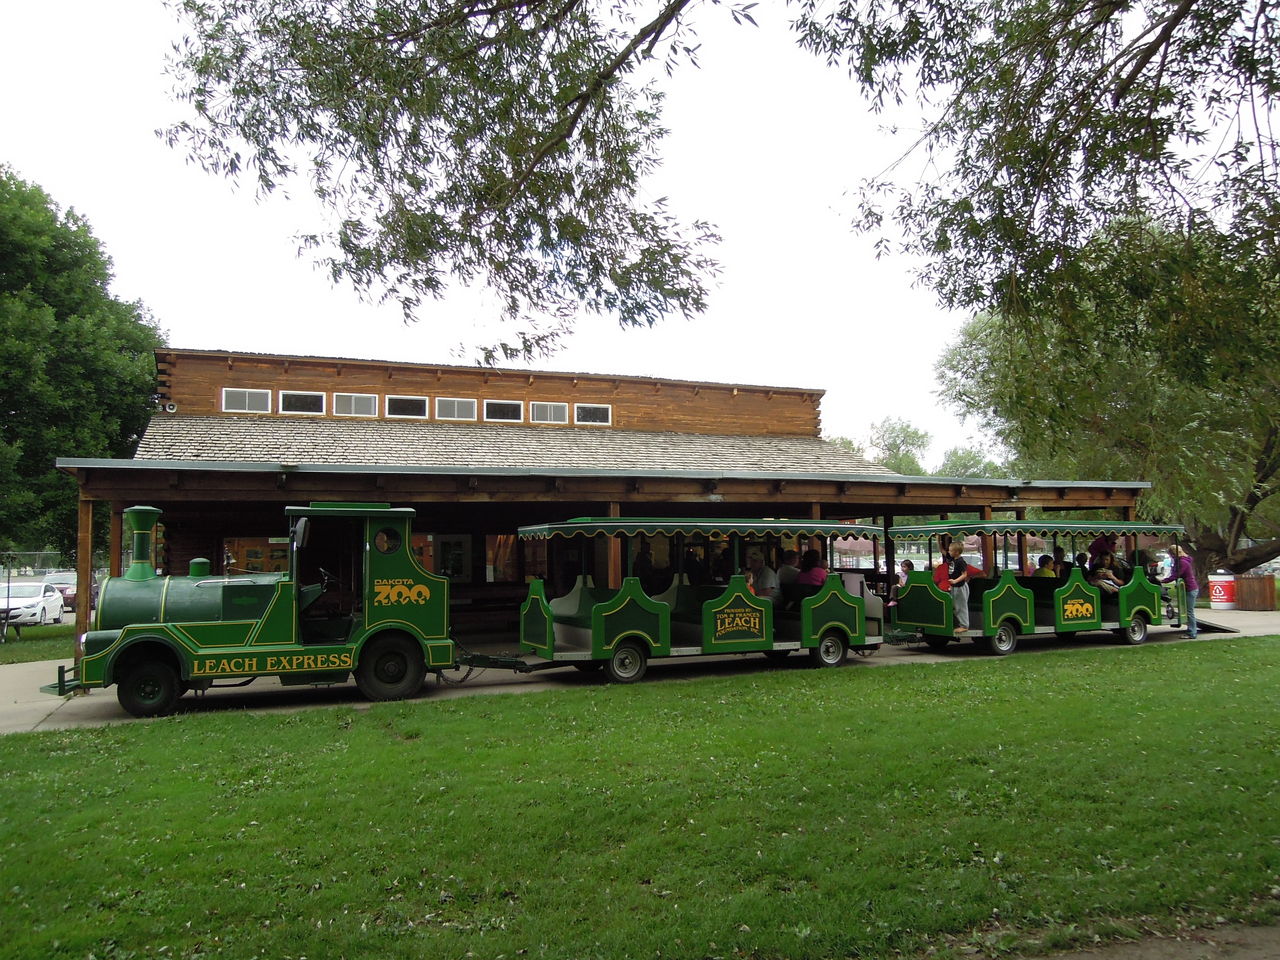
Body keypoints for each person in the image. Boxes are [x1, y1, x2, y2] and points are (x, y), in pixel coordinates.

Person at [1162, 544, 1200, 638]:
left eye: (1171, 554)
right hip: (1188, 588)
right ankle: (1191, 630)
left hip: (1190, 588)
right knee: (1187, 611)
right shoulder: (1181, 561)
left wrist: (1163, 581)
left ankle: (1192, 632)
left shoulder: (1182, 562)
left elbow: (1176, 575)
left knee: (1189, 611)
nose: (1171, 557)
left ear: (1173, 553)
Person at [947, 542, 971, 634]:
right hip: (954, 587)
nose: (949, 552)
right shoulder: (953, 559)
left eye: (951, 551)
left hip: (960, 587)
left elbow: (964, 574)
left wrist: (955, 581)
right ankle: (958, 623)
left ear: (956, 552)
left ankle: (964, 626)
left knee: (961, 606)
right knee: (954, 605)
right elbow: (942, 551)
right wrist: (938, 540)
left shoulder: (961, 561)